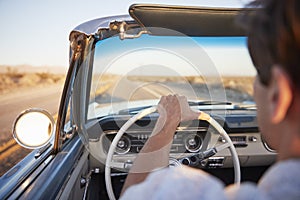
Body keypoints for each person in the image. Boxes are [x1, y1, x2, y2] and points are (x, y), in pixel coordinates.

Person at [120, 0, 300, 199]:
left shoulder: (194, 192)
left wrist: (167, 123)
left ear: (278, 95)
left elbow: (133, 195)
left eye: (257, 74)